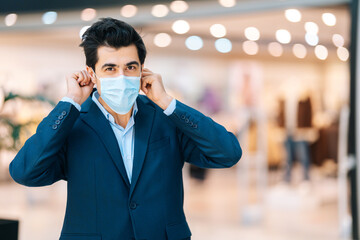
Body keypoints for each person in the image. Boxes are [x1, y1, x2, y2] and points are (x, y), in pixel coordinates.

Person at [9, 18, 242, 240]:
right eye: (110, 68)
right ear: (92, 73)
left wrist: (168, 103)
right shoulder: (73, 124)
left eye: (130, 67)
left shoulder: (165, 118)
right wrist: (71, 101)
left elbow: (228, 153)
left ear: (142, 70)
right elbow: (24, 171)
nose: (122, 76)